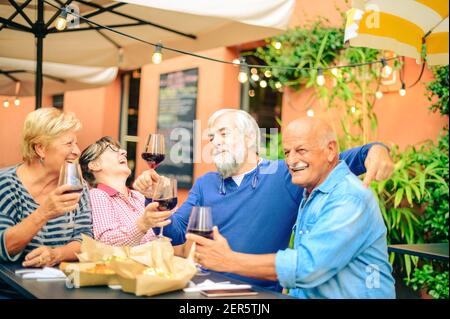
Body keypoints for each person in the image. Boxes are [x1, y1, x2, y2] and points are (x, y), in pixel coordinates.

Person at [133, 109, 394, 291]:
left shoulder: (286, 173)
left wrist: (376, 149)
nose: (216, 143)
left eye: (224, 134)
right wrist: (152, 202)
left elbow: (333, 159)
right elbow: (177, 232)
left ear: (249, 138)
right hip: (208, 287)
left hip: (258, 292)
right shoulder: (206, 183)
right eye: (212, 138)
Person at [0, 107, 93, 267]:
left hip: (61, 285)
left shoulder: (76, 184)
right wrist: (44, 213)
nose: (77, 151)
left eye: (76, 143)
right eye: (69, 143)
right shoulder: (6, 184)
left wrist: (56, 254)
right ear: (40, 148)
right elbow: (4, 247)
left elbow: (85, 239)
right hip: (14, 288)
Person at [79, 136, 170, 246]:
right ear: (95, 165)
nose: (124, 152)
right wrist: (142, 225)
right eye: (112, 150)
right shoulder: (98, 195)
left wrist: (162, 194)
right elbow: (105, 242)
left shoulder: (138, 196)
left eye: (120, 149)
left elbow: (173, 226)